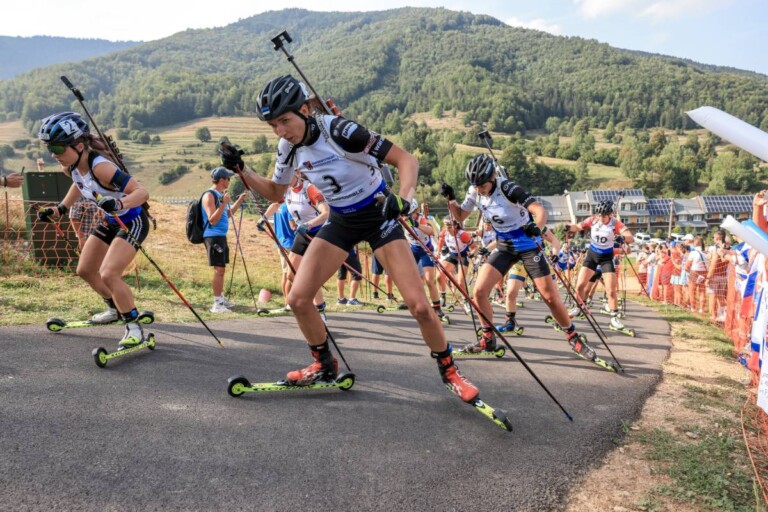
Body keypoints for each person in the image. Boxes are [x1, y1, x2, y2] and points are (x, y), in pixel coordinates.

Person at [221, 75, 478, 401]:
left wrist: (405, 199)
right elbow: (275, 192)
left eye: (285, 121)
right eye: (273, 125)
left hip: (377, 215)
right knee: (298, 299)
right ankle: (323, 365)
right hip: (341, 220)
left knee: (419, 306)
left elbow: (406, 160)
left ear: (304, 110)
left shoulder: (340, 131)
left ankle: (450, 372)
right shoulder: (287, 148)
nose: (281, 131)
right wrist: (242, 169)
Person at [442, 154, 595, 359]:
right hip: (505, 245)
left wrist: (536, 226)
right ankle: (487, 339)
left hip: (527, 244)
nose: (479, 190)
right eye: (476, 186)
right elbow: (460, 216)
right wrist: (451, 199)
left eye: (483, 186)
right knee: (478, 291)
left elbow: (540, 211)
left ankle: (573, 337)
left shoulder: (508, 188)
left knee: (550, 297)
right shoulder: (474, 191)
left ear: (492, 178)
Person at [36, 112, 150, 348]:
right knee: (86, 270)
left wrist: (119, 203)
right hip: (111, 220)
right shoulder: (71, 166)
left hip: (133, 220)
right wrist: (60, 209)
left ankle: (134, 327)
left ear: (79, 146)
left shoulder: (102, 168)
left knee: (109, 274)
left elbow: (141, 192)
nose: (53, 154)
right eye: (50, 148)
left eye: (57, 148)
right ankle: (115, 309)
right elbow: (79, 185)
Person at [565, 199, 634, 330]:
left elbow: (631, 238)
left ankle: (614, 318)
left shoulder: (616, 223)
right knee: (579, 285)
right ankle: (579, 307)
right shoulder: (593, 219)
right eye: (599, 215)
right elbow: (578, 227)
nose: (601, 218)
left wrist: (622, 238)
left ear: (610, 215)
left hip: (606, 258)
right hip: (592, 255)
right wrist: (568, 227)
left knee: (611, 290)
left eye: (604, 216)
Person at [202, 167, 247, 313]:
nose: (230, 180)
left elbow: (227, 214)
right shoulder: (209, 195)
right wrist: (223, 203)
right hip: (213, 236)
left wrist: (239, 201)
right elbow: (212, 219)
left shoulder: (221, 195)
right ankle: (217, 304)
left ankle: (221, 298)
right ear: (222, 180)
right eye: (228, 178)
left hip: (220, 235)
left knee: (221, 269)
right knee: (219, 269)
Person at [404, 199, 446, 320]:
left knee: (429, 280)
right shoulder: (403, 218)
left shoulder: (422, 219)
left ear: (416, 211)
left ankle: (437, 307)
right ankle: (410, 301)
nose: (407, 216)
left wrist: (416, 224)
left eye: (410, 214)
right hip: (414, 249)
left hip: (425, 250)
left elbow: (431, 231)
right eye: (406, 214)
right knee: (408, 277)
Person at [435, 216, 474, 313]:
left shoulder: (463, 235)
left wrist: (472, 253)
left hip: (463, 255)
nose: (447, 228)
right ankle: (443, 297)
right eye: (445, 226)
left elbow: (475, 247)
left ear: (455, 226)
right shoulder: (444, 232)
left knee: (460, 282)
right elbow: (440, 243)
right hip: (453, 255)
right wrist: (438, 253)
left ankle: (466, 301)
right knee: (439, 276)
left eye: (449, 226)